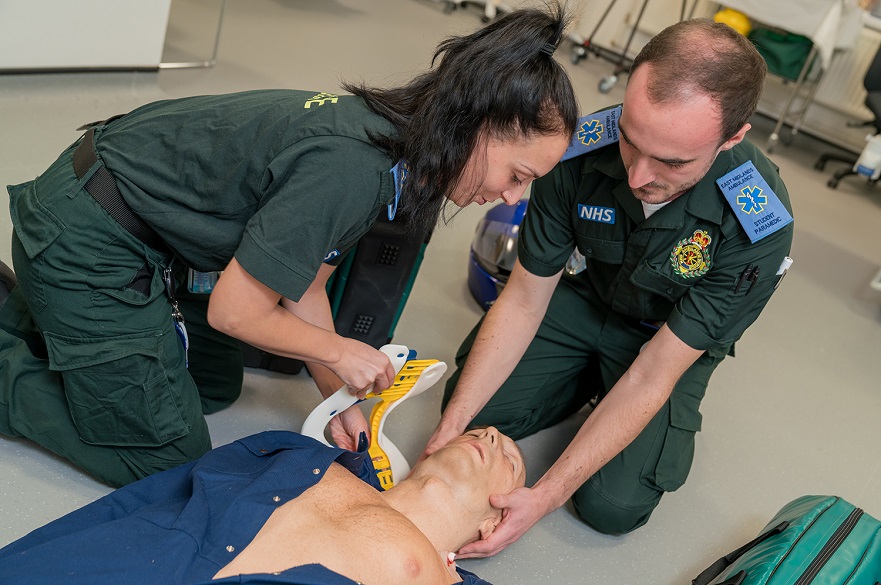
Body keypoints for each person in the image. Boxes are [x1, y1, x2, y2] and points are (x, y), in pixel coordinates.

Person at [0, 5, 577, 487]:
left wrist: (338, 400)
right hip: (85, 238)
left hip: (133, 234)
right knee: (164, 461)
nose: (510, 197)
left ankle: (46, 319)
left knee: (217, 382)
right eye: (518, 174)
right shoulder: (350, 170)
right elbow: (234, 311)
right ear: (475, 125)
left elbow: (307, 285)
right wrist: (342, 354)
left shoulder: (392, 148)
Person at [423, 18, 794, 556]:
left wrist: (546, 496)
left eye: (671, 161)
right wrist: (449, 427)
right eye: (630, 140)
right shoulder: (577, 149)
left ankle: (602, 397)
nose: (639, 174)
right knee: (466, 419)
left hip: (663, 342)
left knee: (610, 508)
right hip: (584, 299)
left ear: (733, 136)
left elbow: (652, 374)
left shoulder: (758, 223)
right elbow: (525, 298)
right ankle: (585, 385)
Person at [0, 426, 525, 584]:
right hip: (136, 563)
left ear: (492, 525)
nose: (494, 434)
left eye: (513, 462)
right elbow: (141, 504)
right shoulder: (303, 455)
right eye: (481, 431)